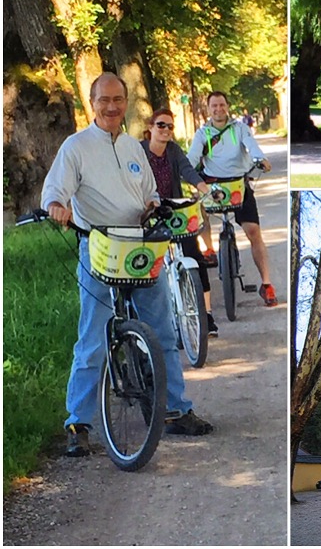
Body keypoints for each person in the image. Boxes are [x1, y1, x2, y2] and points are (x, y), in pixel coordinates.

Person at [41, 73, 213, 458]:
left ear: (126, 102)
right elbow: (56, 189)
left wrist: (155, 205)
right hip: (100, 247)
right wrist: (57, 206)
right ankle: (79, 423)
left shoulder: (135, 149)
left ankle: (175, 409)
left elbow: (149, 192)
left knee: (163, 332)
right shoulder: (76, 147)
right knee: (93, 337)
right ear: (92, 102)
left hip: (140, 247)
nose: (112, 107)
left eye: (118, 99)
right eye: (105, 100)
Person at [187, 90, 278, 307]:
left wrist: (260, 159)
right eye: (214, 106)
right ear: (208, 109)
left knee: (254, 232)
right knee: (200, 211)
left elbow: (252, 145)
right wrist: (185, 171)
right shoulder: (203, 134)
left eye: (221, 105)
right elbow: (192, 156)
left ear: (227, 106)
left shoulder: (239, 128)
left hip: (239, 184)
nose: (218, 109)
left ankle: (267, 285)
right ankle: (209, 250)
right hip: (213, 184)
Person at [141, 108, 219, 337]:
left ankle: (206, 315)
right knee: (149, 265)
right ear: (150, 127)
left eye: (170, 126)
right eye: (161, 125)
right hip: (148, 211)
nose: (165, 130)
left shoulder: (173, 151)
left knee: (195, 256)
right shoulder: (139, 150)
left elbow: (188, 171)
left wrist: (205, 189)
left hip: (173, 207)